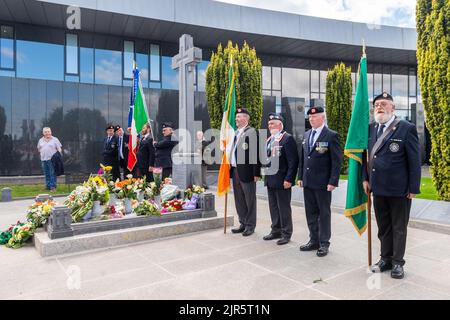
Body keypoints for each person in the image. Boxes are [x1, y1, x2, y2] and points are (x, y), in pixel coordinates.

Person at [363, 92, 421, 279]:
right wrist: (365, 179)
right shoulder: (370, 128)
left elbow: (414, 160)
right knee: (383, 227)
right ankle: (385, 259)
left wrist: (413, 188)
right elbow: (366, 157)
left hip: (399, 189)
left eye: (385, 104)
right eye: (377, 104)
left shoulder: (406, 128)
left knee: (399, 227)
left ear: (393, 108)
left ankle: (398, 263)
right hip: (377, 188)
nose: (380, 107)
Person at [297, 106, 342, 257]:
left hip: (323, 183)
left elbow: (336, 161)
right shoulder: (307, 134)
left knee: (323, 214)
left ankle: (324, 243)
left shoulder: (331, 135)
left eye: (315, 117)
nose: (311, 119)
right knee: (310, 213)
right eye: (310, 117)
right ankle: (313, 240)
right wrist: (300, 177)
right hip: (308, 182)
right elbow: (303, 159)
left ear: (323, 118)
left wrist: (333, 181)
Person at [262, 113, 299, 245]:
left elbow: (293, 161)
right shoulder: (269, 140)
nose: (270, 125)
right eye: (269, 123)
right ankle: (275, 230)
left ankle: (286, 233)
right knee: (273, 207)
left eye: (273, 123)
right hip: (270, 179)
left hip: (282, 180)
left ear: (280, 125)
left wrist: (289, 179)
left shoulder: (287, 139)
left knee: (283, 207)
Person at [230, 107, 261, 237]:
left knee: (249, 200)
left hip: (247, 172)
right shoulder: (235, 133)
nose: (236, 119)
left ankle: (250, 225)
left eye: (239, 116)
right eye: (236, 117)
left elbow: (255, 153)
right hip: (235, 171)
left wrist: (256, 173)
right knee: (239, 199)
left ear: (246, 118)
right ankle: (242, 222)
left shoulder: (251, 132)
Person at [37, 127, 62, 192]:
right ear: (43, 133)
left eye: (48, 131)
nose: (47, 133)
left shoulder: (55, 139)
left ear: (51, 132)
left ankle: (53, 187)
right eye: (45, 132)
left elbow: (59, 149)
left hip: (52, 160)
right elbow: (39, 149)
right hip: (43, 159)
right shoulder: (40, 140)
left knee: (52, 173)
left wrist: (57, 156)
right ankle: (48, 186)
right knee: (47, 173)